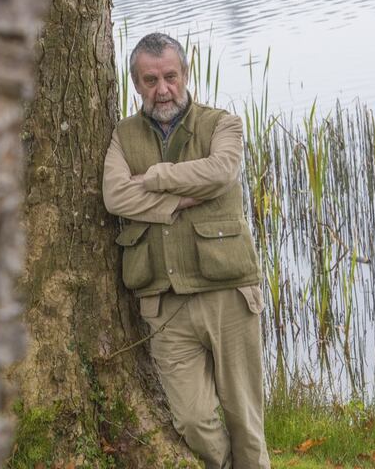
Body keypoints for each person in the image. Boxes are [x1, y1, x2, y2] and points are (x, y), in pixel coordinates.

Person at [102, 32, 270, 469]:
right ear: (136, 84)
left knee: (245, 420)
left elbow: (220, 174)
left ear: (186, 74)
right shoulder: (122, 136)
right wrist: (179, 197)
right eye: (150, 79)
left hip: (228, 293)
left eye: (170, 77)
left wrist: (155, 178)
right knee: (193, 421)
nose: (163, 89)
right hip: (165, 304)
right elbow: (116, 197)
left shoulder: (222, 124)